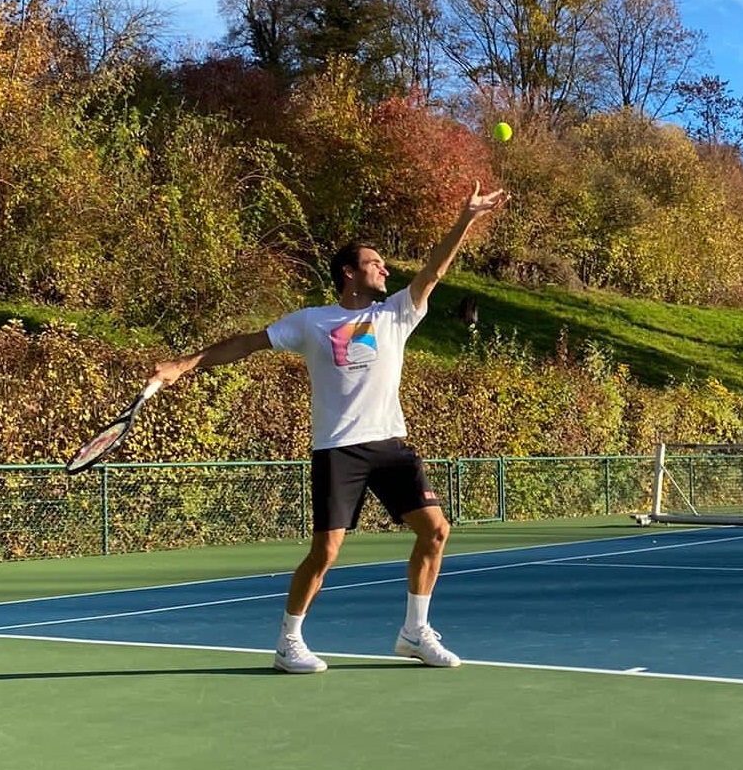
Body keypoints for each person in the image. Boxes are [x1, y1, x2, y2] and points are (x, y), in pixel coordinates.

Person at [148, 182, 510, 673]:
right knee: (326, 552)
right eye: (374, 262)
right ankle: (288, 642)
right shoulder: (311, 321)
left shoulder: (395, 314)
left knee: (436, 530)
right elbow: (245, 344)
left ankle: (414, 631)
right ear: (349, 273)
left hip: (389, 444)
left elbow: (435, 270)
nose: (385, 268)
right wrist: (182, 365)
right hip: (338, 450)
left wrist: (467, 218)